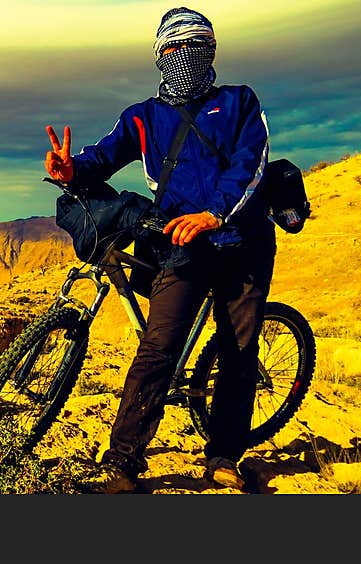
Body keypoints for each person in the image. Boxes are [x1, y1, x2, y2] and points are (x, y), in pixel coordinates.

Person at [44, 6, 276, 492]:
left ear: (210, 52)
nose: (183, 57)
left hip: (242, 243)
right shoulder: (143, 117)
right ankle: (123, 462)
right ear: (160, 55)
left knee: (238, 350)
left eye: (195, 48)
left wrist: (214, 212)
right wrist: (73, 171)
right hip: (181, 247)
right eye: (174, 49)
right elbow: (104, 155)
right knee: (157, 349)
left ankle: (223, 456)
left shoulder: (239, 102)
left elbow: (250, 164)